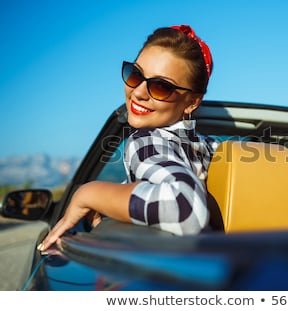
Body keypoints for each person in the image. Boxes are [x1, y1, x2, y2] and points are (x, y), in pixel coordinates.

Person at [38, 24, 217, 252]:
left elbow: (185, 207)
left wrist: (88, 194)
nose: (139, 92)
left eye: (161, 87)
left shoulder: (147, 141)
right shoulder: (211, 149)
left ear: (192, 102)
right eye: (135, 75)